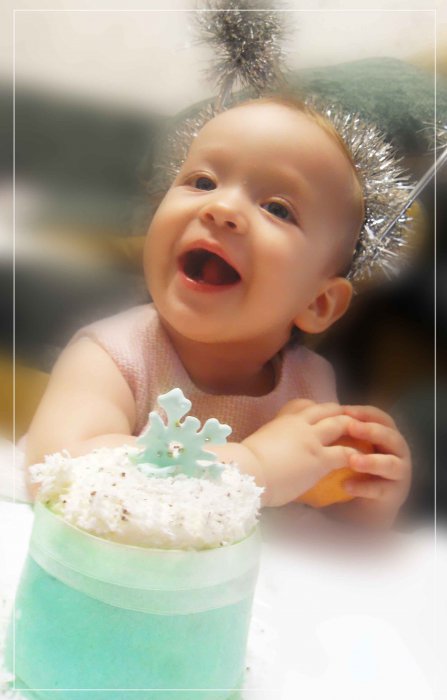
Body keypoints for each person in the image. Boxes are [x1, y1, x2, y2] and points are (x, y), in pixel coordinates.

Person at [24, 97, 412, 526]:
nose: (222, 208)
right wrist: (255, 465)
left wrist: (363, 497)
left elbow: (303, 529)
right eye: (203, 182)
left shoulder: (309, 384)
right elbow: (58, 476)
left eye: (277, 208)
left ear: (317, 303)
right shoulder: (112, 357)